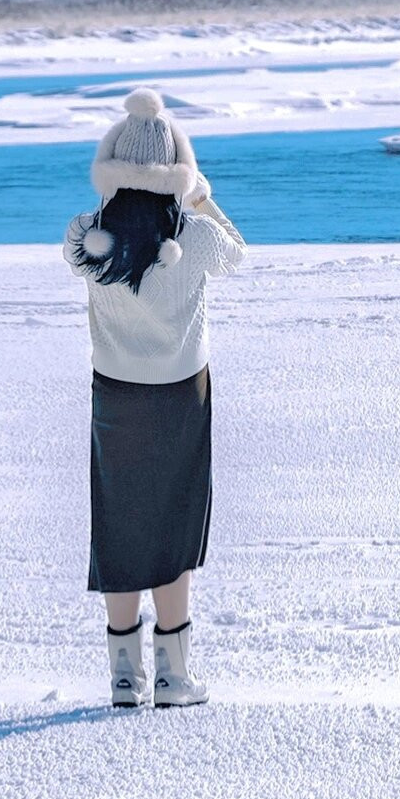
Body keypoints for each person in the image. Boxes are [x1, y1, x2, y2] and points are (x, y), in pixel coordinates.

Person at [63, 87, 245, 708]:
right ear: (178, 167)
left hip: (114, 394)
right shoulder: (193, 235)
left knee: (120, 520)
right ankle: (172, 674)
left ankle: (123, 675)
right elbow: (238, 252)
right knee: (174, 518)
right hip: (181, 393)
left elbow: (96, 228)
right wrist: (201, 198)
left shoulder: (85, 236)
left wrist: (115, 198)